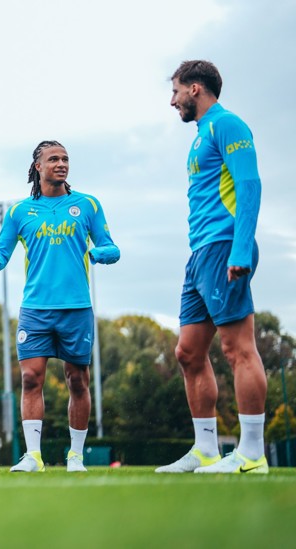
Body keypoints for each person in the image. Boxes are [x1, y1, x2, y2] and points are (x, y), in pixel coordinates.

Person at [0, 140, 120, 473]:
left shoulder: (87, 205)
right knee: (30, 378)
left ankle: (75, 457)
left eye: (65, 159)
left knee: (77, 381)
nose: (61, 164)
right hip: (35, 309)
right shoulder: (19, 212)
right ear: (37, 167)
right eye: (53, 159)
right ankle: (33, 457)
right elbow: (1, 257)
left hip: (76, 308)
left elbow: (109, 246)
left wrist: (105, 253)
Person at [157, 60, 268, 474]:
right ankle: (205, 449)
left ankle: (252, 455)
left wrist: (240, 250)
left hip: (225, 247)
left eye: (176, 92)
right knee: (188, 352)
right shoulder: (200, 136)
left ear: (196, 89)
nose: (173, 101)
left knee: (237, 348)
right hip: (200, 253)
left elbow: (249, 185)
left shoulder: (228, 125)